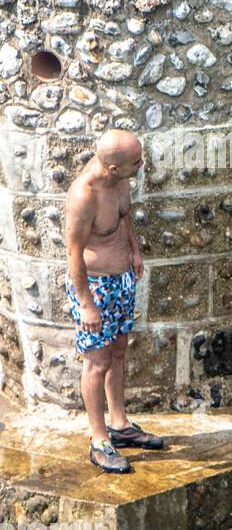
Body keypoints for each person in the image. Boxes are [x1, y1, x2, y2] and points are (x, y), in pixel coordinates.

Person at [64, 129, 166, 473]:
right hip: (95, 287)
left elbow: (123, 219)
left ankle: (120, 425)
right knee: (98, 362)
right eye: (136, 161)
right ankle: (99, 439)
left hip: (122, 279)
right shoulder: (84, 195)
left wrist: (134, 251)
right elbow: (74, 254)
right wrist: (86, 303)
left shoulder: (121, 178)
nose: (142, 164)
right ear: (112, 168)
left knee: (119, 350)